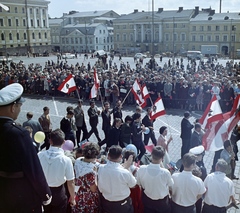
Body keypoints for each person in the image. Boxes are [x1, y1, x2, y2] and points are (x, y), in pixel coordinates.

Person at [0, 83, 52, 213]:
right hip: (19, 195)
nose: (19, 110)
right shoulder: (19, 133)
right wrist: (46, 194)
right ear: (13, 107)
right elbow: (34, 170)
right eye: (19, 106)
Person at [38, 128, 76, 213]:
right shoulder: (66, 160)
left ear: (50, 141)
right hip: (58, 193)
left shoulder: (40, 155)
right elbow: (71, 182)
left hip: (42, 191)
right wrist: (73, 198)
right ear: (63, 142)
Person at [98, 145, 137, 213]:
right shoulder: (125, 172)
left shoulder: (100, 168)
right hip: (122, 204)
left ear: (108, 156)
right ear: (121, 157)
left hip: (106, 203)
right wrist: (127, 168)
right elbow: (133, 184)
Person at [137, 146, 173, 213]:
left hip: (147, 201)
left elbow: (138, 183)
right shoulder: (165, 173)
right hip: (162, 203)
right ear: (162, 158)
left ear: (151, 155)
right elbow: (171, 185)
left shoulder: (141, 169)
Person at [72, 142, 100, 213]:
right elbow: (93, 189)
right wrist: (96, 174)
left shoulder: (78, 161)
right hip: (87, 198)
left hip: (77, 193)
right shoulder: (91, 171)